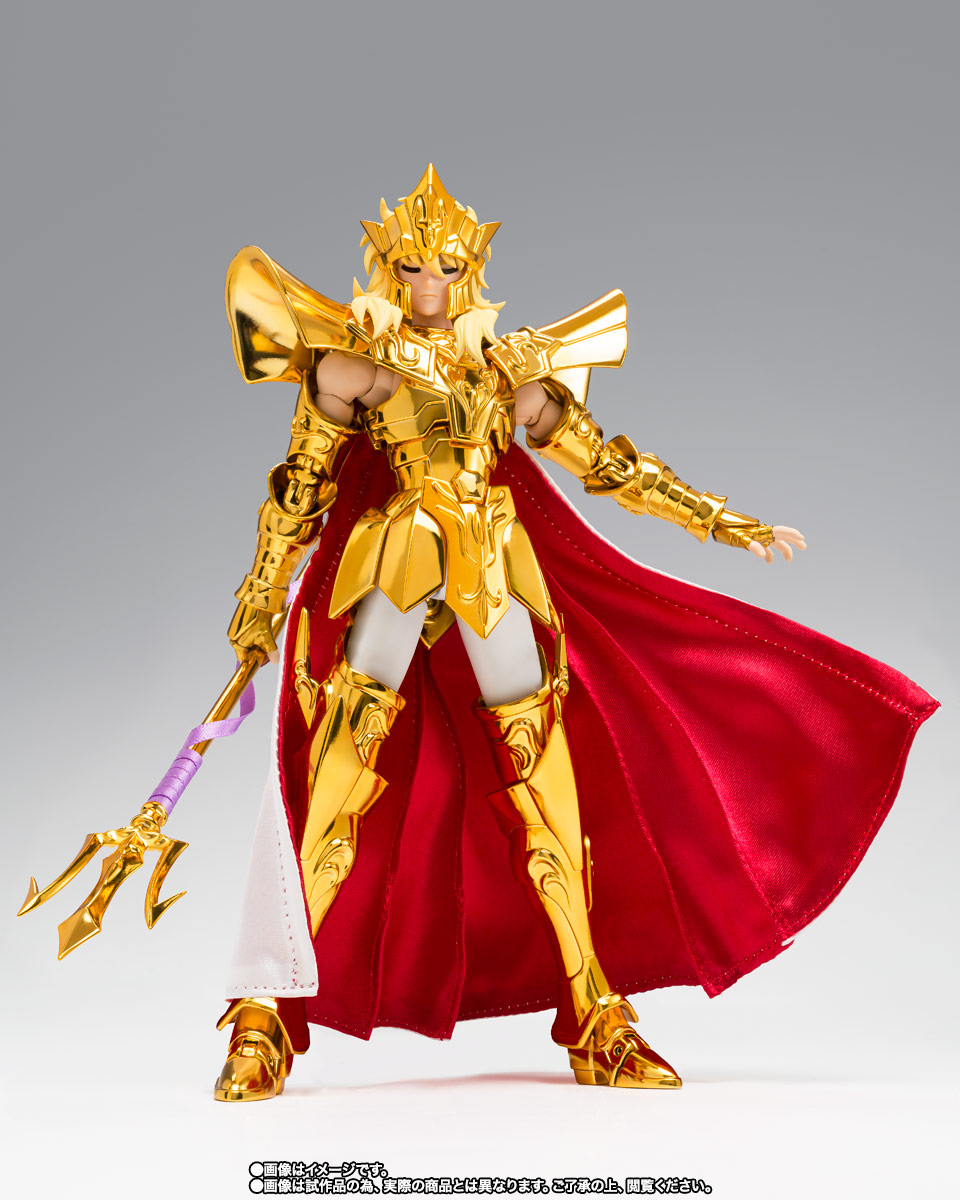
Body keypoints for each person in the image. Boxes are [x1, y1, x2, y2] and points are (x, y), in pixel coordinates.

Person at [214, 165, 935, 1101]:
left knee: (544, 780)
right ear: (385, 264)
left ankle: (595, 1011)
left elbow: (608, 465)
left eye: (445, 265)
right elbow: (299, 491)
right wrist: (262, 598)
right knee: (339, 777)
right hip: (395, 560)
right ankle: (268, 1011)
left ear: (471, 267)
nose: (428, 282)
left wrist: (720, 520)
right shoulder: (354, 363)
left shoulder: (507, 368)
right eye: (412, 265)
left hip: (493, 563)